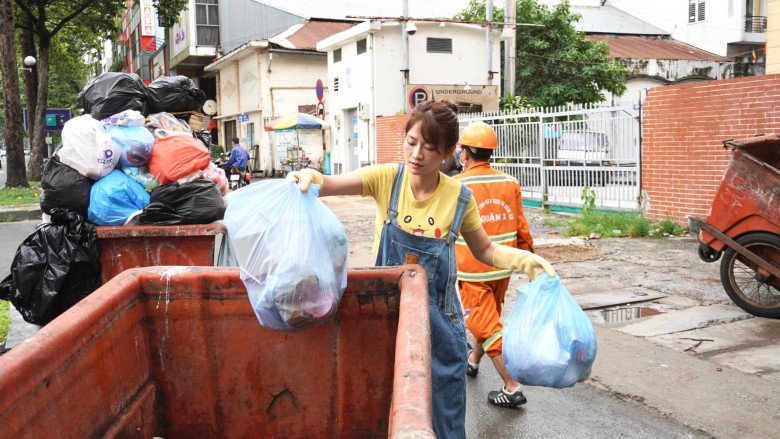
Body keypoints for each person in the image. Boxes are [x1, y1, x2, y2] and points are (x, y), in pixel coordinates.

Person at [287, 101, 555, 438]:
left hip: (440, 324)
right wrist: (312, 178)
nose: (416, 154)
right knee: (383, 408)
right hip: (387, 319)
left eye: (429, 148)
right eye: (411, 142)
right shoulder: (387, 178)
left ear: (446, 152)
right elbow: (330, 184)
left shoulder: (459, 197)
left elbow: (484, 249)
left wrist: (524, 260)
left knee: (445, 418)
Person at [453, 121, 536, 408]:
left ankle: (512, 387)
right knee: (489, 319)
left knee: (484, 324)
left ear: (465, 153)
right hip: (503, 267)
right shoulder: (510, 183)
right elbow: (522, 227)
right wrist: (528, 261)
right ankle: (474, 359)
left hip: (472, 270)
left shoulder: (458, 186)